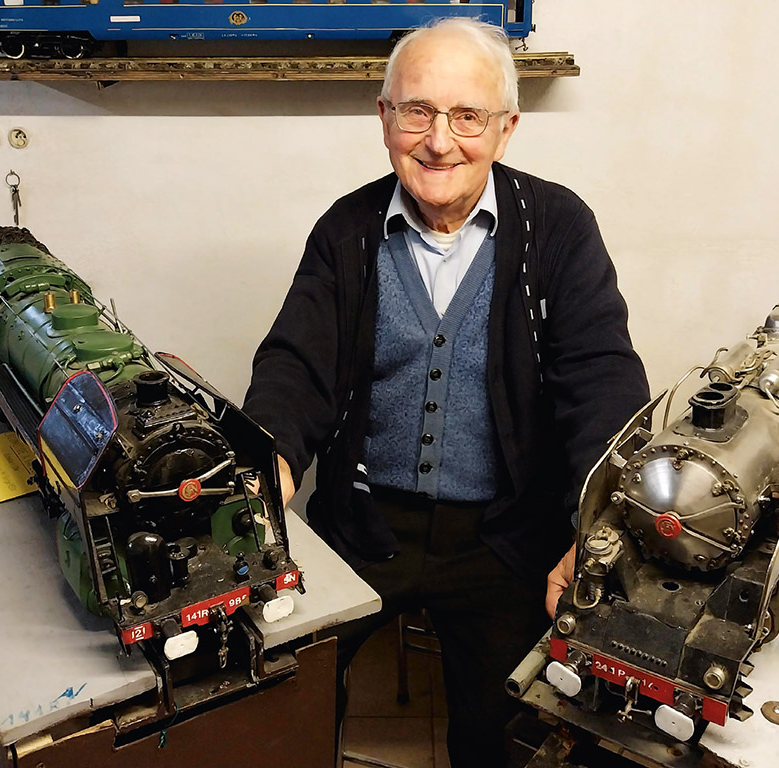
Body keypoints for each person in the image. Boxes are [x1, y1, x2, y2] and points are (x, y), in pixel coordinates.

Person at [243, 18, 649, 767]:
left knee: (501, 732)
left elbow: (602, 383)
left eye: (467, 117)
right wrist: (263, 477)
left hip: (506, 538)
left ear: (506, 129)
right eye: (416, 111)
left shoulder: (559, 227)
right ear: (384, 117)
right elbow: (296, 369)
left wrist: (590, 529)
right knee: (282, 692)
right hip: (361, 526)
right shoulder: (347, 229)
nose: (439, 141)